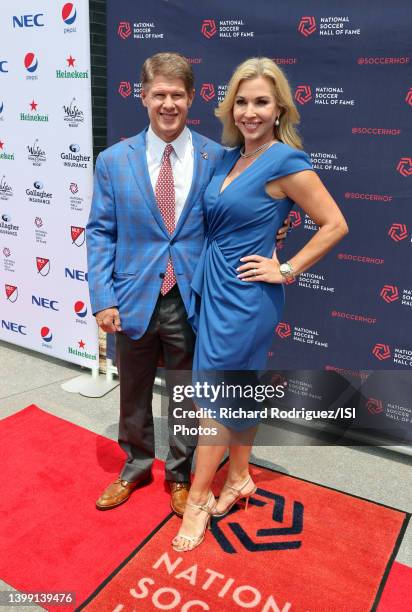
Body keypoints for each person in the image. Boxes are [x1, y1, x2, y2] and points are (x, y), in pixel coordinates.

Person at [86, 53, 288, 516]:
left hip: (197, 297)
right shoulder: (114, 160)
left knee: (185, 390)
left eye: (178, 94)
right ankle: (136, 465)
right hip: (132, 295)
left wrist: (275, 234)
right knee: (133, 387)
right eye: (159, 94)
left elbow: (246, 211)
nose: (168, 103)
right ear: (143, 97)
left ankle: (180, 474)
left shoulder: (218, 158)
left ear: (192, 98)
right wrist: (102, 298)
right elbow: (100, 232)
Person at [172, 57, 349, 551]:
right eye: (242, 102)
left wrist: (287, 267)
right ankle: (239, 479)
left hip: (247, 299)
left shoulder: (287, 161)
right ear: (231, 107)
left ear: (279, 110)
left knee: (212, 402)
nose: (250, 112)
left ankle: (200, 500)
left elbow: (335, 224)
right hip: (215, 289)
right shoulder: (230, 158)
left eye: (261, 103)